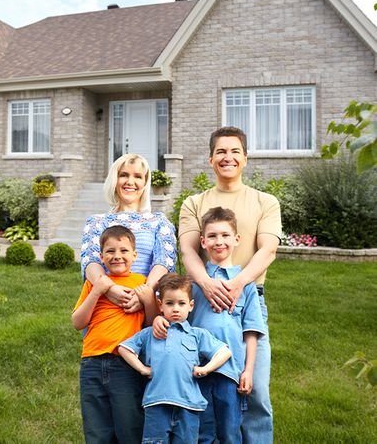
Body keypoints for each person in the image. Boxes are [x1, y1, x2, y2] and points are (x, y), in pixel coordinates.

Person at [160, 126, 281, 443]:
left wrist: (240, 283)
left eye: (235, 151)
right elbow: (187, 249)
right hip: (202, 305)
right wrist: (206, 283)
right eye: (221, 152)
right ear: (211, 158)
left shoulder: (264, 202)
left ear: (245, 158)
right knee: (201, 389)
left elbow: (267, 249)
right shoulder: (194, 203)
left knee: (254, 392)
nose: (228, 157)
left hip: (248, 300)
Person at [118, 273, 231, 444]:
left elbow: (224, 352)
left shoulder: (197, 335)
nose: (176, 309)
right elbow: (124, 348)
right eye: (169, 303)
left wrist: (205, 369)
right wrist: (142, 368)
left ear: (191, 306)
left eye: (181, 303)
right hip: (156, 402)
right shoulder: (151, 333)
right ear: (160, 305)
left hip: (188, 405)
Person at [187, 207, 267, 444]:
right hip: (198, 372)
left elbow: (250, 333)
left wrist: (249, 370)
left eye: (224, 235)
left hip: (231, 372)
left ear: (236, 239)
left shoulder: (246, 286)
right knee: (202, 432)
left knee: (230, 433)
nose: (218, 241)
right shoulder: (194, 284)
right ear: (202, 241)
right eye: (212, 236)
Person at [72, 225, 150, 443]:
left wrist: (148, 300)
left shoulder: (141, 284)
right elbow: (77, 322)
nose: (117, 256)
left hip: (125, 364)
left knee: (129, 425)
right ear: (101, 256)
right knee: (96, 428)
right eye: (110, 251)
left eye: (124, 251)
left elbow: (150, 322)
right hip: (92, 362)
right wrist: (98, 289)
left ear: (135, 255)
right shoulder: (95, 284)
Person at [80, 153, 177, 325]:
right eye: (123, 175)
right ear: (114, 179)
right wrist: (110, 290)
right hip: (106, 310)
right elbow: (91, 262)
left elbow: (163, 262)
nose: (130, 182)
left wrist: (144, 295)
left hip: (147, 310)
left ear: (145, 183)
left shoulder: (159, 222)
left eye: (138, 176)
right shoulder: (97, 222)